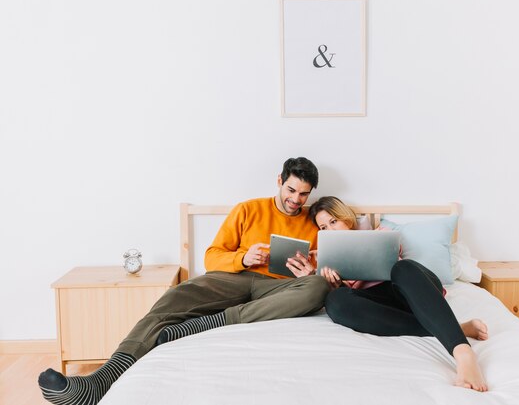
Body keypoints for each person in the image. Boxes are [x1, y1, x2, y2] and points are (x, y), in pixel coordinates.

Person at [38, 157, 330, 405]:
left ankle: (212, 322)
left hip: (277, 290)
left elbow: (321, 275)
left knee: (318, 286)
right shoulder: (248, 209)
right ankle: (99, 383)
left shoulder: (314, 222)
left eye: (303, 194)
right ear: (279, 180)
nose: (295, 200)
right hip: (235, 279)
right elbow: (211, 257)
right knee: (175, 297)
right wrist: (242, 258)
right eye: (291, 190)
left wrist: (308, 273)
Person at [308, 196, 489, 392]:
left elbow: (395, 261)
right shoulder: (330, 262)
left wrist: (360, 257)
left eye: (333, 222)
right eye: (324, 228)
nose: (330, 230)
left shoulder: (380, 234)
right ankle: (455, 328)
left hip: (410, 290)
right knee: (335, 301)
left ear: (346, 218)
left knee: (402, 268)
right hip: (382, 307)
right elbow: (354, 302)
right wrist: (338, 284)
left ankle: (463, 352)